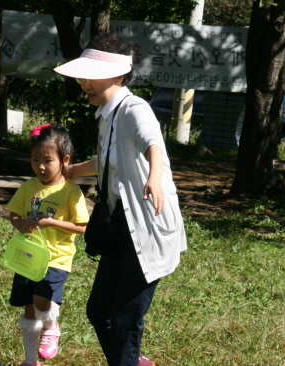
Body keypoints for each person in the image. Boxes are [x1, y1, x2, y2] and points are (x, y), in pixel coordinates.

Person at [54, 33, 187, 366]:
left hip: (147, 229)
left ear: (116, 74)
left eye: (90, 76)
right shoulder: (107, 114)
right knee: (99, 312)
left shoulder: (133, 109)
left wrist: (154, 178)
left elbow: (153, 143)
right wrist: (73, 172)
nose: (84, 83)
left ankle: (128, 359)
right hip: (119, 228)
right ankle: (131, 360)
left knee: (124, 319)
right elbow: (107, 160)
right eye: (82, 76)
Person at [7, 124, 90, 366]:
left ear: (64, 160)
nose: (40, 166)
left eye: (47, 160)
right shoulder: (29, 187)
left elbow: (83, 227)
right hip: (27, 257)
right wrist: (20, 223)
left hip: (56, 258)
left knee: (42, 299)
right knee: (29, 309)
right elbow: (13, 214)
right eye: (34, 159)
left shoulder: (70, 192)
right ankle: (31, 359)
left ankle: (52, 326)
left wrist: (52, 223)